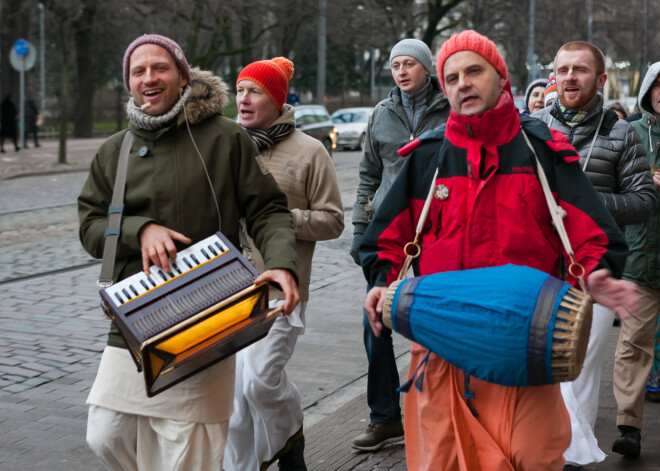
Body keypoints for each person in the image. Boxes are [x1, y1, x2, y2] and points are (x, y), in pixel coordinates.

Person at [361, 29, 638, 471]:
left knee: (534, 457)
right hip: (442, 350)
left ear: (500, 78)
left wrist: (595, 272)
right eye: (451, 78)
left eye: (473, 72)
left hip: (522, 347)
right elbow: (381, 241)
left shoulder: (543, 151)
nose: (462, 84)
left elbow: (595, 235)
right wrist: (383, 284)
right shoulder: (427, 157)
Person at [79, 34, 299, 471]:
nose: (148, 78)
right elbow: (90, 225)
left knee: (188, 453)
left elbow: (268, 209)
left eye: (159, 68)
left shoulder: (225, 138)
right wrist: (140, 231)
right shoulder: (113, 151)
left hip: (209, 314)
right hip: (135, 317)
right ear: (128, 84)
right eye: (137, 71)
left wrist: (280, 264)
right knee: (106, 432)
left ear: (182, 76)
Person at [533, 40, 655, 470]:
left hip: (595, 267)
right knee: (540, 364)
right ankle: (543, 448)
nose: (570, 77)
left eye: (580, 70)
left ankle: (572, 457)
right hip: (538, 267)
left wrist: (591, 203)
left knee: (581, 365)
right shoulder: (532, 127)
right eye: (563, 69)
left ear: (599, 79)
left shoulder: (620, 132)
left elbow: (644, 202)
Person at [223, 57, 344, 471]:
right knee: (233, 398)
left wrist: (279, 218)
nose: (243, 99)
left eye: (254, 91)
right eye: (239, 90)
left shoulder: (309, 152)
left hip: (283, 291)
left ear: (276, 99)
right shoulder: (228, 146)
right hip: (228, 290)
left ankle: (290, 433)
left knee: (259, 381)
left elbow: (333, 220)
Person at [350, 37, 449, 452]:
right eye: (395, 65)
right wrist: (359, 228)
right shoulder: (381, 113)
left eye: (410, 64)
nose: (402, 71)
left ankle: (441, 413)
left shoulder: (450, 111)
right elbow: (369, 175)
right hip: (390, 233)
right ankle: (385, 417)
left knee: (435, 325)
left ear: (427, 68)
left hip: (438, 230)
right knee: (375, 325)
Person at [611, 61, 660, 457]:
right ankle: (628, 425)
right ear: (647, 92)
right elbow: (614, 191)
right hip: (640, 258)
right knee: (632, 344)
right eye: (659, 86)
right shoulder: (629, 133)